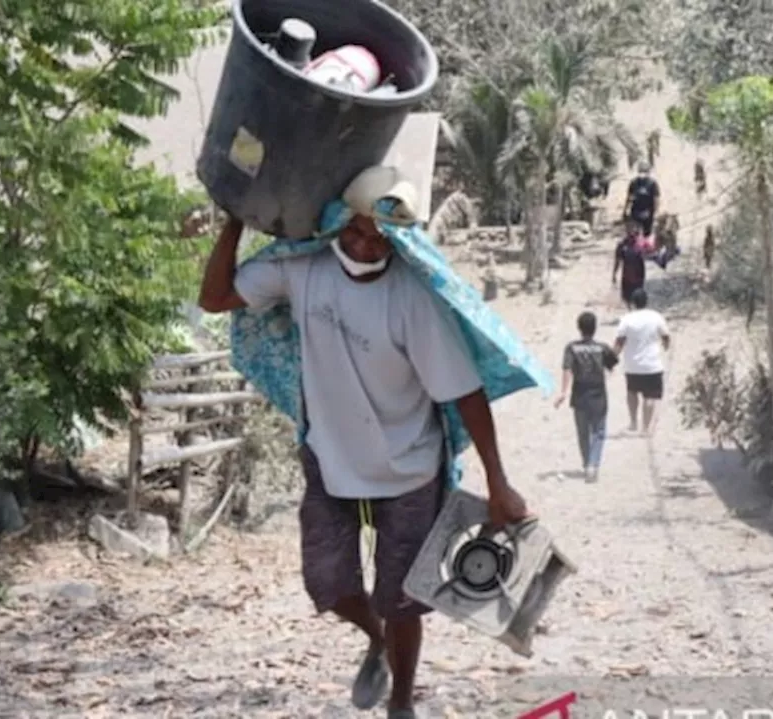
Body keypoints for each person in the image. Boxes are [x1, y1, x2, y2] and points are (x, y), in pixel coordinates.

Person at [196, 166, 532, 719]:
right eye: (355, 230)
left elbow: (465, 392)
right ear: (337, 227)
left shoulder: (413, 301)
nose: (365, 243)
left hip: (409, 469)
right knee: (326, 582)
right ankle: (375, 640)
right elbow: (215, 298)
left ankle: (401, 700)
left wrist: (499, 483)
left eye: (379, 235)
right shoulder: (304, 272)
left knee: (403, 599)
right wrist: (235, 220)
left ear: (399, 239)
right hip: (332, 458)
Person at [554, 311, 618, 482]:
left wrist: (563, 392)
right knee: (598, 431)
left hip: (579, 394)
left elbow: (567, 369)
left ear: (579, 328)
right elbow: (613, 363)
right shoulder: (602, 348)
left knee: (582, 432)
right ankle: (593, 464)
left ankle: (586, 463)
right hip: (598, 394)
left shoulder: (571, 348)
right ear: (595, 328)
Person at [613, 288, 671, 436]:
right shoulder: (656, 316)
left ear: (632, 303)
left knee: (632, 392)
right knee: (650, 396)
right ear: (647, 301)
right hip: (652, 364)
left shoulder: (627, 319)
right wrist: (666, 346)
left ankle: (633, 422)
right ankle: (646, 428)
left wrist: (613, 357)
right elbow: (665, 336)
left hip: (632, 364)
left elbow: (620, 341)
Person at [612, 219, 647, 308]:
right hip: (627, 275)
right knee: (627, 297)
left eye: (634, 229)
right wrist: (614, 274)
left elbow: (650, 254)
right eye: (629, 229)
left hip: (639, 274)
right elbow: (617, 260)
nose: (631, 231)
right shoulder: (622, 245)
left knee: (638, 295)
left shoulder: (641, 244)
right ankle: (630, 310)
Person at [623, 161, 661, 237]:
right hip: (635, 212)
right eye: (641, 171)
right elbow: (630, 197)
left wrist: (656, 212)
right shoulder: (634, 183)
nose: (642, 174)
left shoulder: (652, 183)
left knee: (647, 234)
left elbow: (656, 199)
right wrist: (626, 209)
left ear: (648, 172)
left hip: (648, 212)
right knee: (635, 234)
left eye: (644, 171)